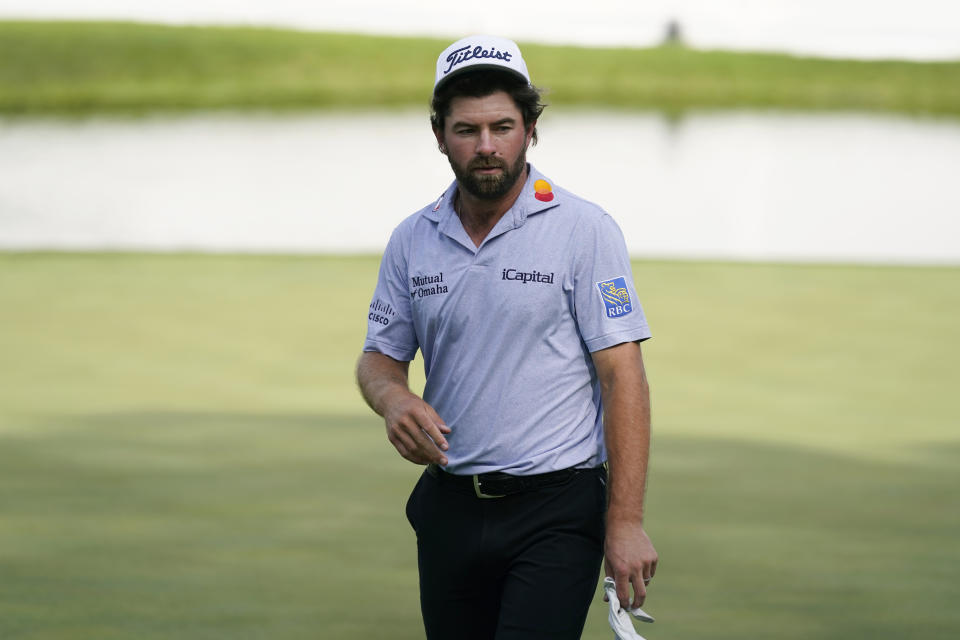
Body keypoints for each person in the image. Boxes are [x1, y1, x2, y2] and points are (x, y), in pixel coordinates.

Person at [356, 34, 657, 640]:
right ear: (439, 134)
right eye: (467, 130)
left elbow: (623, 374)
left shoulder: (583, 230)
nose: (486, 147)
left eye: (502, 126)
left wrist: (623, 521)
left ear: (531, 128)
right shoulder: (412, 239)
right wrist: (393, 399)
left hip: (556, 509)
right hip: (450, 510)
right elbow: (378, 359)